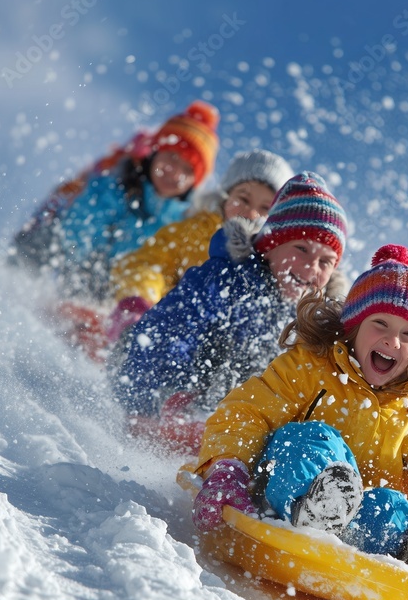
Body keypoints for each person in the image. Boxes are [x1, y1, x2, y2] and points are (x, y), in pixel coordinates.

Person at [191, 244, 408, 600]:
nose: (393, 341)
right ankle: (312, 505)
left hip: (358, 532)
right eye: (381, 324)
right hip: (277, 497)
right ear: (354, 325)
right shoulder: (310, 367)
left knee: (390, 507)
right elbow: (248, 412)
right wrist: (227, 468)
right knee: (311, 441)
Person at [111, 171, 349, 448]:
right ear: (270, 246)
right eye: (301, 249)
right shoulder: (227, 278)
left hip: (237, 415)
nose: (311, 267)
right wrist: (147, 405)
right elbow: (167, 331)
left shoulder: (320, 319)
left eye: (326, 261)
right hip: (169, 384)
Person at [11, 100, 220, 299]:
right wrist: (75, 274)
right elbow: (80, 225)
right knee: (51, 240)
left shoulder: (181, 222)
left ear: (195, 182)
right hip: (75, 264)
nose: (174, 173)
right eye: (171, 157)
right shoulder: (116, 184)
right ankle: (12, 281)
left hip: (118, 288)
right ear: (154, 154)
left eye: (187, 169)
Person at [105, 148, 295, 343]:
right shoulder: (195, 232)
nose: (251, 213)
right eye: (243, 199)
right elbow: (149, 264)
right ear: (225, 196)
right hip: (173, 334)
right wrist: (139, 300)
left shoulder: (273, 257)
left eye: (265, 208)